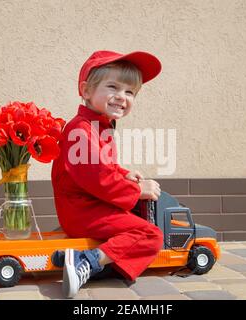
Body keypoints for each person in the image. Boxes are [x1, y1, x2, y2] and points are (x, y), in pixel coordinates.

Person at [51, 50, 163, 298]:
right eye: (113, 87)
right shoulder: (81, 130)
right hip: (83, 211)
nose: (122, 97)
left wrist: (123, 174)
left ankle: (88, 263)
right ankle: (88, 261)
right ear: (86, 90)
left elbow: (102, 168)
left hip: (89, 206)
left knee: (139, 225)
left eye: (130, 92)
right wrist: (136, 190)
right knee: (148, 234)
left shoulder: (98, 126)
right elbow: (98, 178)